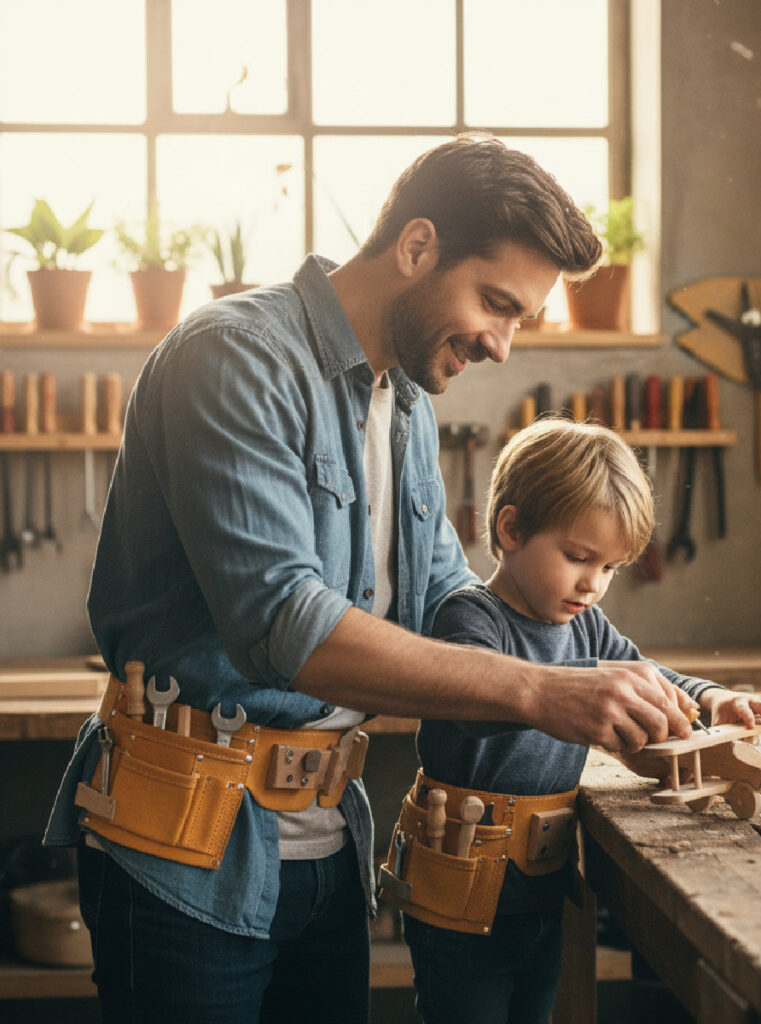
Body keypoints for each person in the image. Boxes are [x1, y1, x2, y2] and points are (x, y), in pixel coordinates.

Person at [43, 134, 698, 1024]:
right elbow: (286, 625)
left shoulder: (405, 405)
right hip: (183, 846)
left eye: (521, 320)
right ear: (417, 246)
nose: (503, 347)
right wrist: (544, 691)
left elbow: (451, 612)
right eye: (495, 304)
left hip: (324, 845)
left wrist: (687, 696)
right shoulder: (234, 356)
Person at [381, 418, 761, 1024]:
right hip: (459, 886)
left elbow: (643, 671)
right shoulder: (470, 617)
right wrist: (541, 696)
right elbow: (463, 706)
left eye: (610, 569)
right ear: (511, 529)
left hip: (542, 886)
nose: (593, 585)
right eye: (578, 558)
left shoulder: (583, 625)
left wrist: (713, 699)